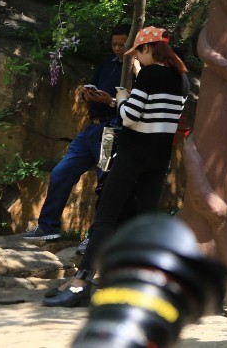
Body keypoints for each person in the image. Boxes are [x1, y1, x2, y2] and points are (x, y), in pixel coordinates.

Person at [44, 26, 188, 308]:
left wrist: (121, 98)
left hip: (133, 156)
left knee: (105, 218)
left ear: (148, 49)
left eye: (138, 52)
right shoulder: (182, 79)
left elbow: (131, 118)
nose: (136, 58)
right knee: (145, 221)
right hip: (159, 159)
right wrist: (120, 99)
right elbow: (160, 117)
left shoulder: (150, 73)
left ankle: (81, 283)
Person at [21, 27, 127, 243]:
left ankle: (96, 235)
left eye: (122, 44)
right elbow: (92, 86)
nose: (117, 48)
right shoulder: (107, 64)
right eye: (114, 44)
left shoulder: (136, 69)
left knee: (104, 182)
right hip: (91, 129)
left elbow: (134, 104)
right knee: (61, 172)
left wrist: (110, 101)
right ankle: (47, 226)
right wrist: (87, 94)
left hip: (112, 131)